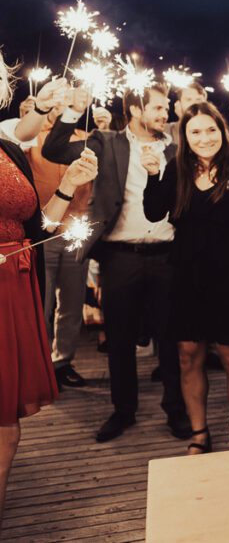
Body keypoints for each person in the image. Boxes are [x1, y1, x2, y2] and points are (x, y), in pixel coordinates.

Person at [42, 83, 190, 443]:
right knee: (120, 340)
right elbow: (54, 148)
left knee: (170, 339)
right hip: (119, 256)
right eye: (157, 107)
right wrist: (73, 111)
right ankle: (123, 411)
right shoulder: (105, 142)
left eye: (167, 106)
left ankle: (177, 411)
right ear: (136, 109)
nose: (165, 112)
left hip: (167, 255)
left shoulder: (177, 146)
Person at [142, 102, 229, 454]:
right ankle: (199, 433)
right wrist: (151, 174)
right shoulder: (176, 170)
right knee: (189, 356)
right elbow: (154, 211)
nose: (204, 138)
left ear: (222, 131)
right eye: (195, 132)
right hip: (188, 277)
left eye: (210, 130)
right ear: (184, 137)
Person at [0, 135, 97, 532]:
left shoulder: (7, 149)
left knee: (6, 428)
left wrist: (68, 185)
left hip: (13, 287)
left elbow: (38, 227)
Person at [6, 79, 95, 390]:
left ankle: (62, 362)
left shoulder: (84, 139)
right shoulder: (29, 141)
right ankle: (38, 361)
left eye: (62, 105)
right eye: (54, 106)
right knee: (40, 302)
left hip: (75, 230)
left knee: (71, 303)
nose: (57, 111)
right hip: (40, 230)